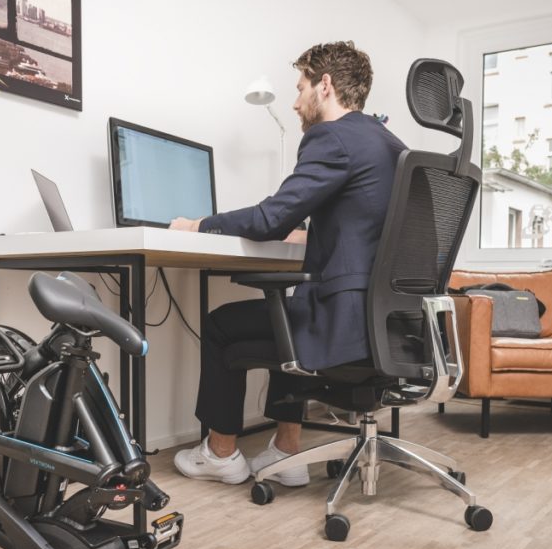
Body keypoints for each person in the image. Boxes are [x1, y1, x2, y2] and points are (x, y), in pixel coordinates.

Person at [169, 41, 407, 485]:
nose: (296, 102)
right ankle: (285, 452)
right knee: (291, 309)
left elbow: (270, 219)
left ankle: (220, 455)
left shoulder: (332, 137)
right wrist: (311, 231)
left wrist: (196, 225)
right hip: (389, 325)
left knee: (226, 324)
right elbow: (363, 221)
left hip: (346, 327)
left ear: (326, 85)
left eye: (300, 88)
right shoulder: (389, 143)